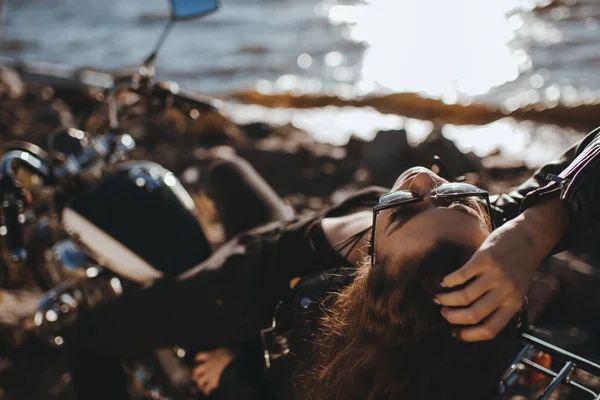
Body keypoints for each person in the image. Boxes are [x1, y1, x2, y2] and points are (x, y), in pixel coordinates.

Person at [64, 127, 600, 399]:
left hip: (239, 290)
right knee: (224, 168)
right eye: (456, 193)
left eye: (399, 212)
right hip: (285, 235)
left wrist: (236, 380)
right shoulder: (486, 232)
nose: (422, 181)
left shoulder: (333, 339)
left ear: (370, 277)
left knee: (87, 335)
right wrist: (536, 230)